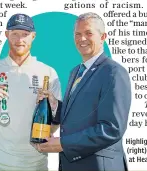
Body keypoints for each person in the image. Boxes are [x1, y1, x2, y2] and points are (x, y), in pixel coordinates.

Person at [36, 12, 131, 171]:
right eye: (78, 34)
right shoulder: (75, 72)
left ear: (103, 37)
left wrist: (63, 143)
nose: (82, 39)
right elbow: (77, 116)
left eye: (88, 33)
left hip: (98, 165)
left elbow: (112, 128)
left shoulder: (113, 72)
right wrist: (54, 106)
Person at [0, 13, 61, 171]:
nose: (20, 40)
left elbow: (55, 123)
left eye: (25, 35)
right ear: (6, 35)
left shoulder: (48, 73)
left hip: (34, 164)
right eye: (15, 34)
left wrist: (51, 111)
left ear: (33, 36)